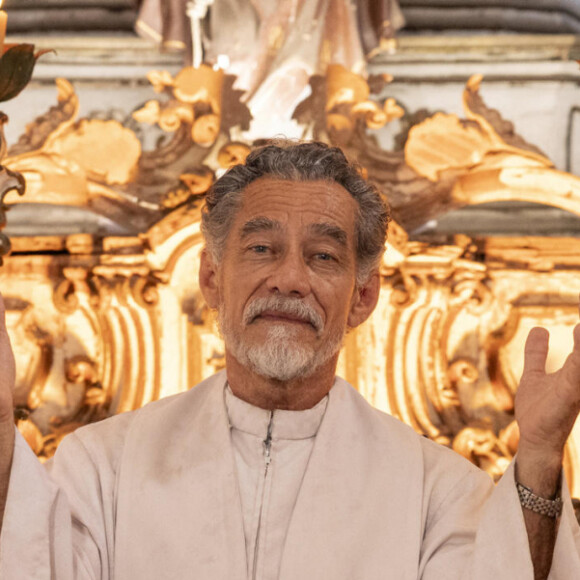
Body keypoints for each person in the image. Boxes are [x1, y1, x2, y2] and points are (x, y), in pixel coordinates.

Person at [1, 141, 580, 579]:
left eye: (324, 256)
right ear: (211, 277)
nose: (291, 279)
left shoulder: (437, 492)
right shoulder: (103, 469)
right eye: (261, 249)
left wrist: (537, 455)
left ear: (363, 296)